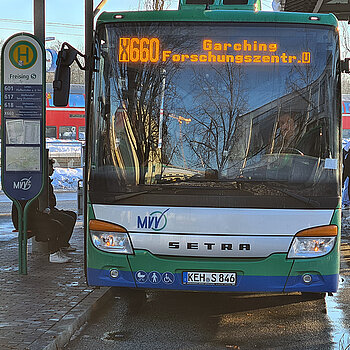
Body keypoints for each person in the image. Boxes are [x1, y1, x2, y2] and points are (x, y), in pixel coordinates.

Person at [11, 159, 77, 263]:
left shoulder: (29, 187)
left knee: (60, 221)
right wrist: (45, 214)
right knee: (55, 225)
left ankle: (57, 249)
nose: (53, 170)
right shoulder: (29, 189)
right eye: (51, 167)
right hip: (25, 221)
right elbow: (31, 213)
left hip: (30, 218)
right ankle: (54, 253)